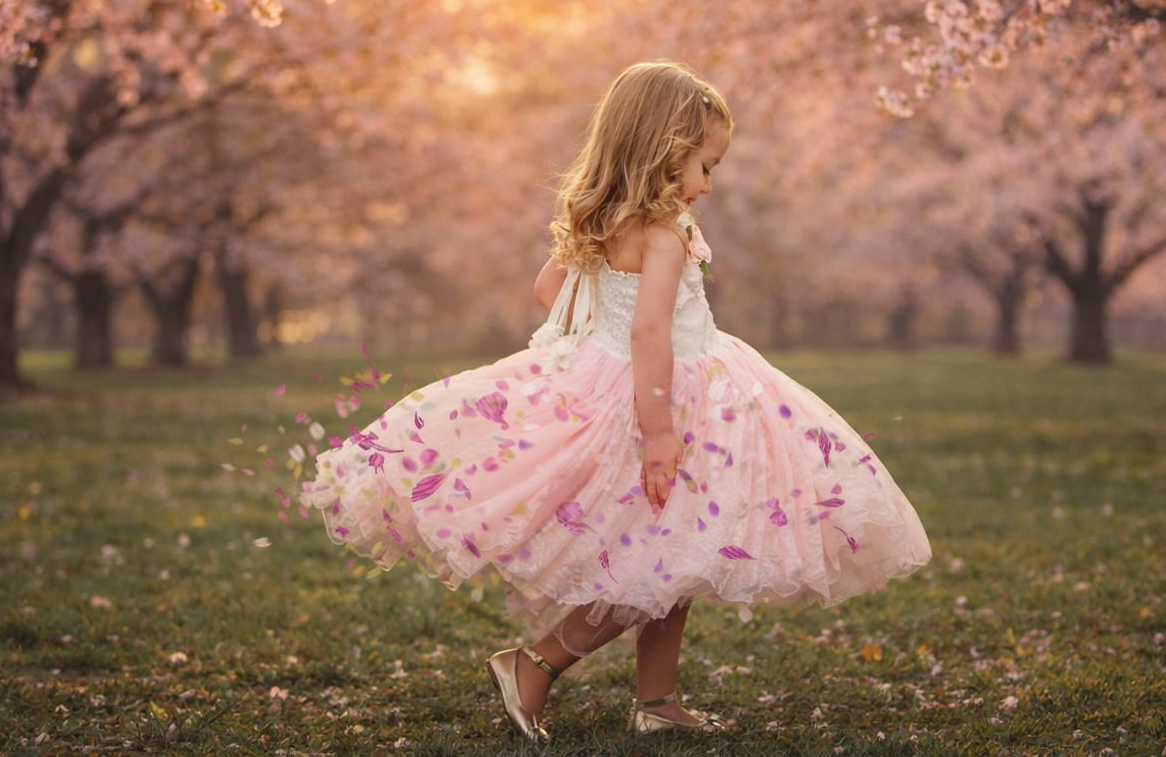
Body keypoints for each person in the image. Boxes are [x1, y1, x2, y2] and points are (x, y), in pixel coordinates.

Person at [304, 60, 931, 740]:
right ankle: (534, 664)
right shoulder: (668, 232)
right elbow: (652, 330)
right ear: (666, 153)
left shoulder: (603, 221)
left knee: (677, 550)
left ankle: (656, 701)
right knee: (654, 561)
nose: (708, 184)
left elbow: (551, 290)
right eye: (704, 165)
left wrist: (592, 350)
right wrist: (658, 433)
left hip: (625, 385)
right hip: (671, 398)